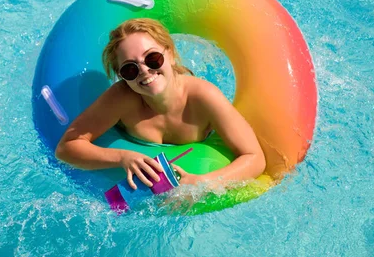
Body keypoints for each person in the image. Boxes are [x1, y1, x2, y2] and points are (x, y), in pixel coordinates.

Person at [55, 18, 266, 190]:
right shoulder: (121, 99)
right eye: (130, 69)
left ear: (171, 54)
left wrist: (202, 183)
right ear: (121, 77)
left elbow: (254, 158)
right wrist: (121, 156)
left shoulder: (203, 97)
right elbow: (66, 148)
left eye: (153, 58)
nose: (145, 71)